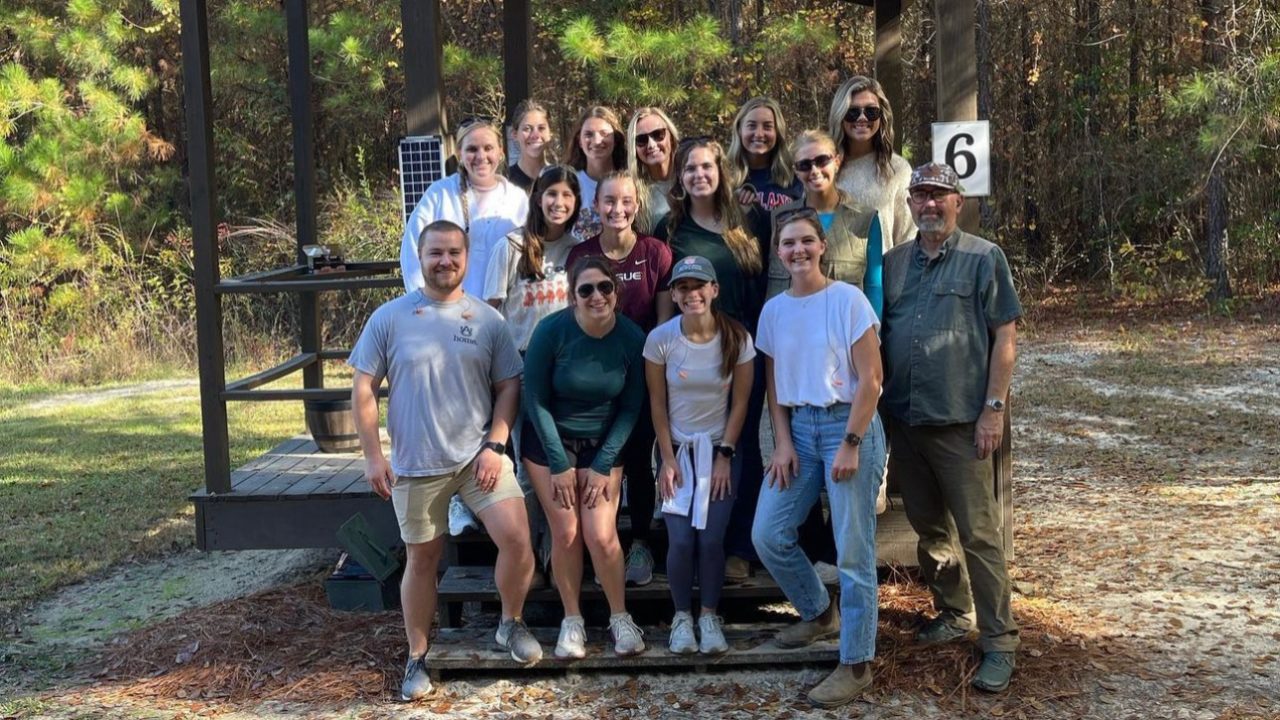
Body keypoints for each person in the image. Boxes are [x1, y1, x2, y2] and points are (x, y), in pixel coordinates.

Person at [350, 220, 540, 702]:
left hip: (479, 460)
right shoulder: (390, 317)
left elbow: (509, 385)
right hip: (417, 463)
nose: (446, 261)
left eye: (454, 252)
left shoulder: (486, 319)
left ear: (466, 257)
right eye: (436, 252)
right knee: (423, 559)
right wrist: (373, 457)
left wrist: (497, 444)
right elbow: (363, 388)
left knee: (518, 539)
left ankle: (510, 623)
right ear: (421, 255)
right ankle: (417, 655)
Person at [881, 162, 1022, 693]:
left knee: (981, 535)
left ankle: (999, 640)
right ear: (910, 204)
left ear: (957, 202)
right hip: (906, 422)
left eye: (940, 195)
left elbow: (1004, 338)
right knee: (930, 529)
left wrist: (994, 408)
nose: (929, 204)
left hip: (963, 424)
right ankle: (954, 611)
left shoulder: (984, 258)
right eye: (920, 195)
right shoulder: (894, 264)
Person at [752, 208, 887, 708]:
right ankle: (816, 612)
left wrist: (851, 442)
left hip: (848, 426)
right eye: (788, 243)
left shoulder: (847, 301)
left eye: (807, 241)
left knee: (852, 551)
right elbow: (773, 385)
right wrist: (781, 441)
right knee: (768, 532)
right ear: (778, 251)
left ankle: (856, 662)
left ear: (822, 245)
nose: (798, 251)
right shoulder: (774, 311)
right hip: (799, 432)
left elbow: (872, 379)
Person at [522, 255, 648, 658]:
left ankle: (620, 617)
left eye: (605, 287)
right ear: (572, 296)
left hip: (602, 444)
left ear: (616, 291)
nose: (597, 296)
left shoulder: (631, 337)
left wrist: (602, 465)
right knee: (567, 532)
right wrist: (560, 465)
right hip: (549, 443)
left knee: (601, 534)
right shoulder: (551, 331)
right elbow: (535, 399)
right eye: (586, 289)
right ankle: (572, 619)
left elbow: (631, 408)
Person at [656, 136, 766, 583]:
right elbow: (667, 299)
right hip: (691, 350)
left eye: (706, 167)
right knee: (694, 445)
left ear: (720, 171)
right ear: (679, 179)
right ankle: (689, 542)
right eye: (689, 169)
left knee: (744, 447)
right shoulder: (670, 231)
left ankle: (738, 546)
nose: (699, 175)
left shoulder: (748, 222)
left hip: (743, 347)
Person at [566, 171, 673, 585]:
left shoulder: (656, 252)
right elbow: (574, 317)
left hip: (643, 373)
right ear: (596, 204)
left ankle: (641, 541)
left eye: (626, 201)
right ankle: (597, 543)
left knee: (639, 462)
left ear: (637, 204)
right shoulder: (580, 255)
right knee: (600, 461)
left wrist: (650, 376)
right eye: (609, 201)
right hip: (596, 377)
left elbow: (663, 325)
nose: (618, 209)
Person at [645, 255, 755, 656]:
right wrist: (667, 459)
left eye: (699, 286)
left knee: (711, 540)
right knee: (680, 541)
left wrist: (726, 452)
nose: (692, 295)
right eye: (683, 288)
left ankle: (709, 614)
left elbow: (741, 403)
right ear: (673, 294)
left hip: (719, 449)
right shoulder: (661, 339)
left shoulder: (736, 338)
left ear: (714, 290)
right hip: (677, 449)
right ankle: (680, 617)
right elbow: (658, 403)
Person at [401, 119, 529, 298]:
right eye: (472, 149)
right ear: (459, 153)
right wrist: (423, 302)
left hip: (505, 315)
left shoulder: (517, 199)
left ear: (501, 151)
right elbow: (412, 251)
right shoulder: (439, 195)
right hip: (449, 314)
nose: (481, 156)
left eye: (488, 148)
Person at [484, 165, 583, 349]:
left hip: (564, 357)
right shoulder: (510, 246)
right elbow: (489, 311)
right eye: (552, 194)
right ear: (539, 199)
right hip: (519, 358)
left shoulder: (577, 250)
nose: (559, 203)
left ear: (576, 202)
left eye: (567, 195)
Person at [829, 75, 915, 249]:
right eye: (853, 112)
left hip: (883, 273)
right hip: (829, 274)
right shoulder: (822, 167)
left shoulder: (897, 169)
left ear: (881, 116)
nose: (862, 118)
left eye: (871, 111)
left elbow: (908, 238)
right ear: (840, 115)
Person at [726, 96, 803, 248]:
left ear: (778, 132)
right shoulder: (725, 177)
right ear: (740, 130)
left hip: (785, 267)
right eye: (752, 126)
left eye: (767, 127)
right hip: (741, 266)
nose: (759, 134)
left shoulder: (794, 176)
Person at [564, 106, 629, 241]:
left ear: (615, 140)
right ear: (579, 141)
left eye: (604, 134)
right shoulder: (568, 184)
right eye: (588, 134)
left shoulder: (630, 183)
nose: (597, 140)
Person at [626, 107, 681, 233]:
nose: (651, 145)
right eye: (641, 140)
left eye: (658, 135)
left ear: (671, 137)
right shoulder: (634, 193)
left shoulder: (691, 178)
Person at [507, 100, 554, 192]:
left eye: (541, 128)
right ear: (515, 134)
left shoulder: (560, 177)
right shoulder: (505, 182)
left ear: (550, 132)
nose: (535, 135)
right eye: (527, 129)